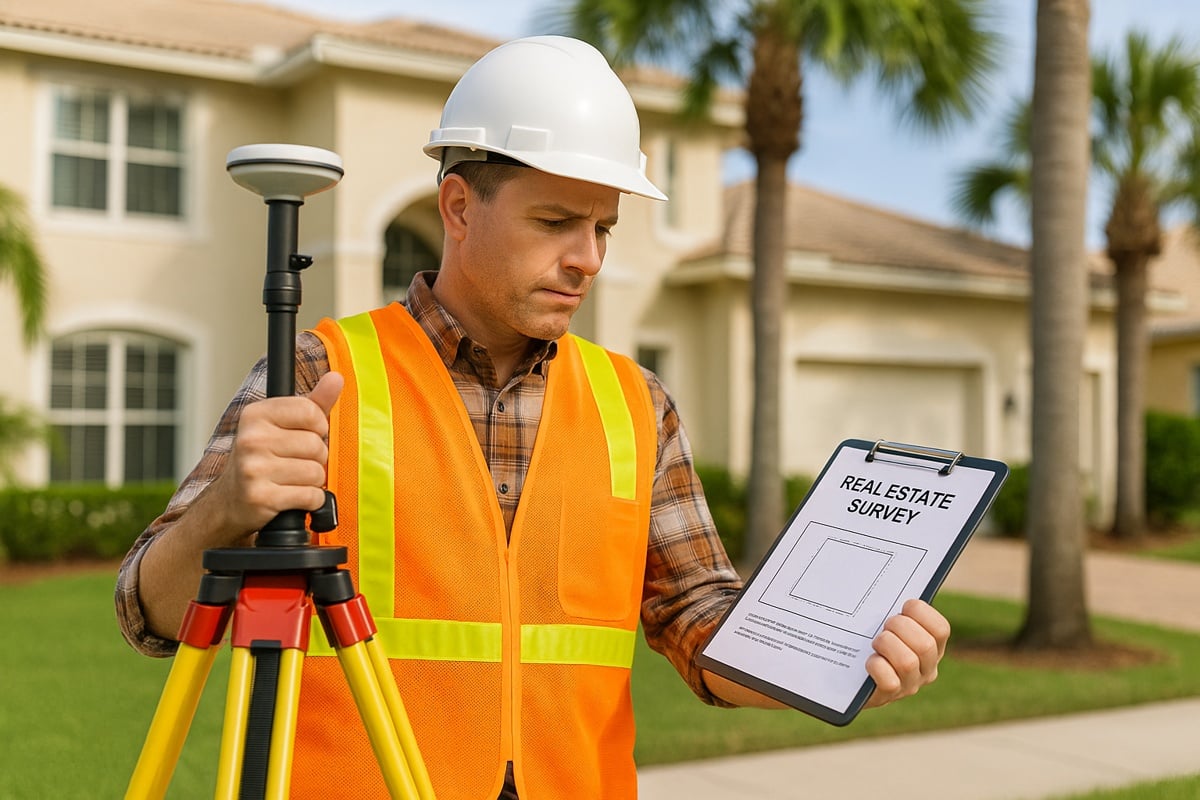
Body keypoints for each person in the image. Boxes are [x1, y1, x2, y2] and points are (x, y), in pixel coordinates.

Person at [117, 34, 950, 800]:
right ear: (457, 206)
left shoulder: (636, 405)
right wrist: (227, 509)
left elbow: (700, 624)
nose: (586, 257)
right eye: (555, 222)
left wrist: (837, 664)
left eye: (602, 228)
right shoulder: (320, 374)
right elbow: (146, 611)